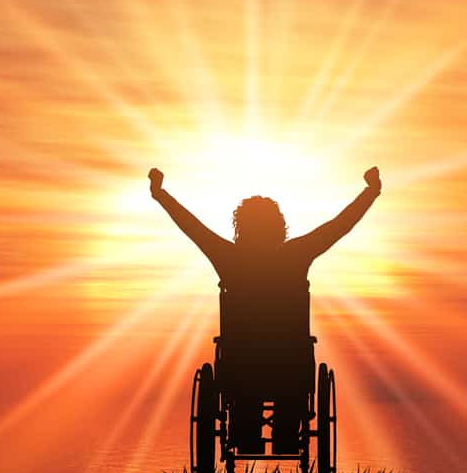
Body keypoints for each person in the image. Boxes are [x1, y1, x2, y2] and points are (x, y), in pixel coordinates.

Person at [150, 165, 381, 454]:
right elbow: (338, 226)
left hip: (240, 367)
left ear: (240, 228)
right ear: (278, 226)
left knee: (244, 388)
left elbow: (192, 227)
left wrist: (160, 194)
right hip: (290, 366)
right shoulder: (297, 254)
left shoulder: (228, 258)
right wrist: (370, 192)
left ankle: (246, 432)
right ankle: (285, 431)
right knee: (289, 383)